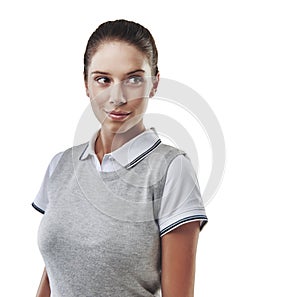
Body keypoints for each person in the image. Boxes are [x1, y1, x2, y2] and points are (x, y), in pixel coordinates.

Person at [32, 19, 208, 297]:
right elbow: (54, 272)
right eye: (103, 79)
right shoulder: (61, 165)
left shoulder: (172, 170)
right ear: (86, 84)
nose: (117, 97)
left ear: (154, 84)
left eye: (134, 79)